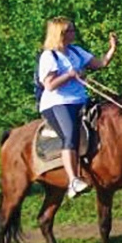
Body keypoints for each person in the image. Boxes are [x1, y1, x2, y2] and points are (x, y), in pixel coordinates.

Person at [38, 17, 117, 197]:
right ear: (61, 34)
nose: (74, 33)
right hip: (58, 102)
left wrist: (112, 49)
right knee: (70, 134)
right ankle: (73, 180)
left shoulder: (76, 51)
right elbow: (49, 85)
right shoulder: (49, 56)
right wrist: (71, 75)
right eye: (71, 31)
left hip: (79, 99)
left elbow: (100, 64)